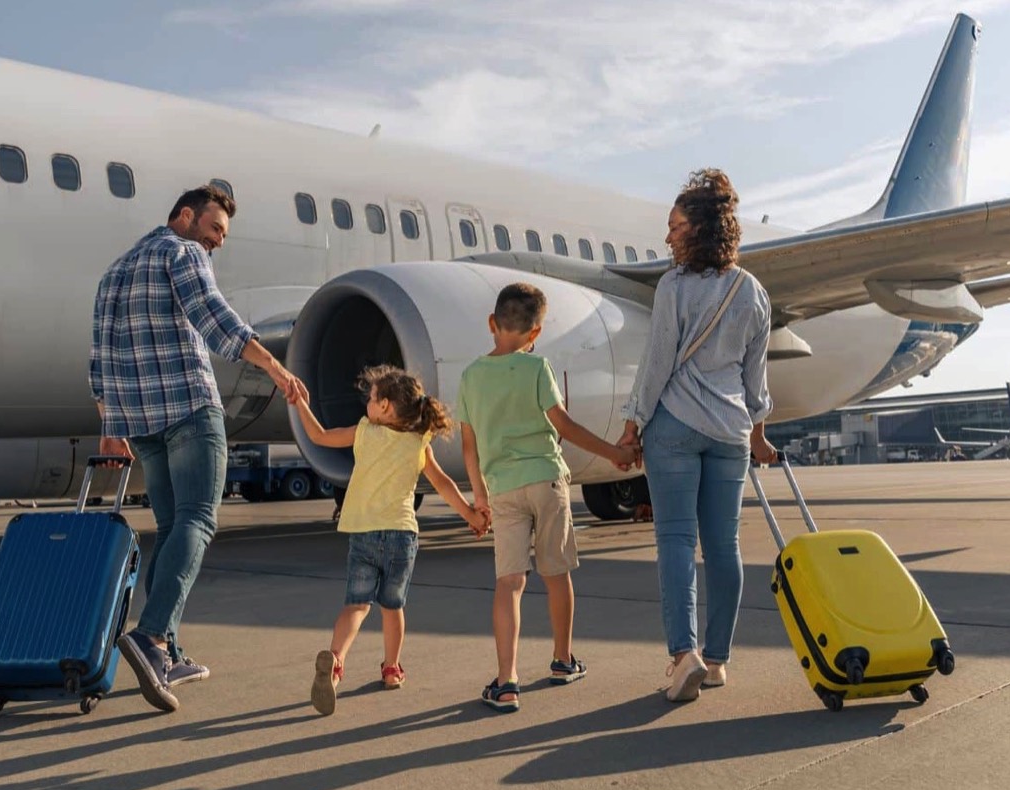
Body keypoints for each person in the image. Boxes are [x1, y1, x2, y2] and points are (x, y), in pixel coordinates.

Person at [90, 183, 305, 713]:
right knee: (198, 520)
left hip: (142, 422)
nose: (218, 242)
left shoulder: (114, 272)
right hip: (188, 408)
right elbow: (214, 317)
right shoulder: (181, 252)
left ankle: (170, 650)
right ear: (185, 216)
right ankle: (153, 636)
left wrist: (110, 423)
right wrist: (275, 366)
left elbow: (99, 358)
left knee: (172, 527)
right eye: (215, 229)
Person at [617, 168, 777, 703]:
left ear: (700, 229)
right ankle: (717, 660)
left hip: (676, 429)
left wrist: (632, 422)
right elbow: (756, 379)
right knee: (724, 546)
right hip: (731, 433)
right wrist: (758, 434)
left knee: (677, 542)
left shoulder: (674, 287)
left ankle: (682, 654)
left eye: (675, 226)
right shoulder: (754, 292)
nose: (668, 236)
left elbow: (657, 361)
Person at [457, 282, 639, 713]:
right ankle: (562, 660)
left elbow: (469, 446)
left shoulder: (470, 376)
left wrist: (479, 497)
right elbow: (565, 425)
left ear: (491, 324)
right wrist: (614, 452)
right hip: (546, 480)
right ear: (536, 333)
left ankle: (506, 682)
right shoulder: (538, 368)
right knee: (556, 574)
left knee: (510, 583)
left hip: (502, 488)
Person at [292, 365, 487, 716]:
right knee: (392, 607)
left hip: (364, 532)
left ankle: (335, 662)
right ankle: (392, 668)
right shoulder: (418, 441)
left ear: (385, 407)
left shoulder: (365, 431)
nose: (367, 403)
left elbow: (319, 436)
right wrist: (471, 514)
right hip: (400, 534)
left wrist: (300, 404)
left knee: (356, 605)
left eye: (371, 397)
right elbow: (443, 483)